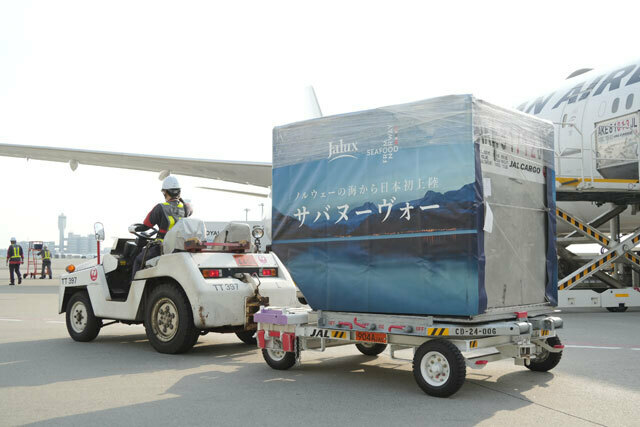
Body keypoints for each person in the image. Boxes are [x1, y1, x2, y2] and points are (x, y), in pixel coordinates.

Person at [131, 176, 193, 281]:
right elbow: (188, 208)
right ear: (179, 192)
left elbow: (145, 226)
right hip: (179, 248)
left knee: (138, 260)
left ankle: (133, 289)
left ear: (165, 192)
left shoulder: (160, 208)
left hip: (161, 248)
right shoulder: (186, 208)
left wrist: (134, 229)